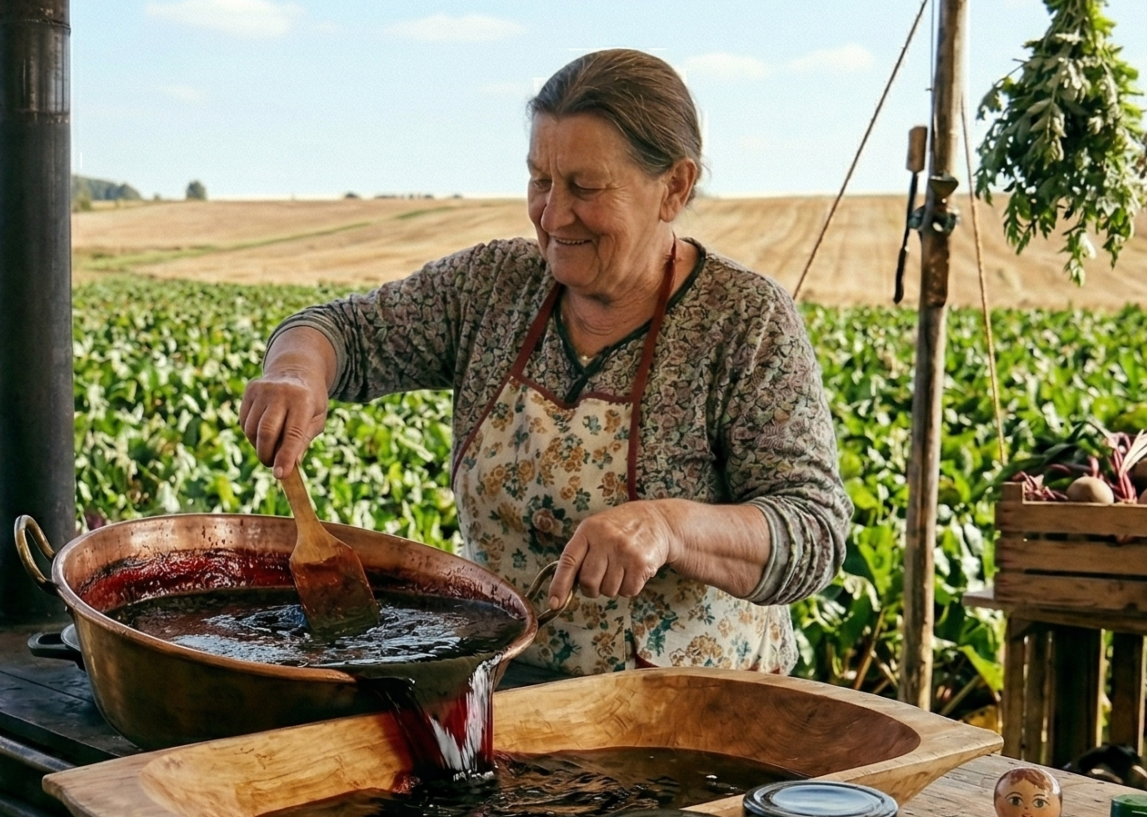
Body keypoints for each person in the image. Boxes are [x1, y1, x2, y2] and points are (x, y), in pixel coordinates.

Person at [238, 49, 850, 674]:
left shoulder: (742, 319)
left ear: (674, 187)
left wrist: (668, 527)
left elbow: (813, 531)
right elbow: (339, 331)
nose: (554, 215)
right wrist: (295, 371)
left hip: (686, 716)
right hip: (502, 683)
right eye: (540, 181)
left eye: (585, 188)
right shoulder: (493, 287)